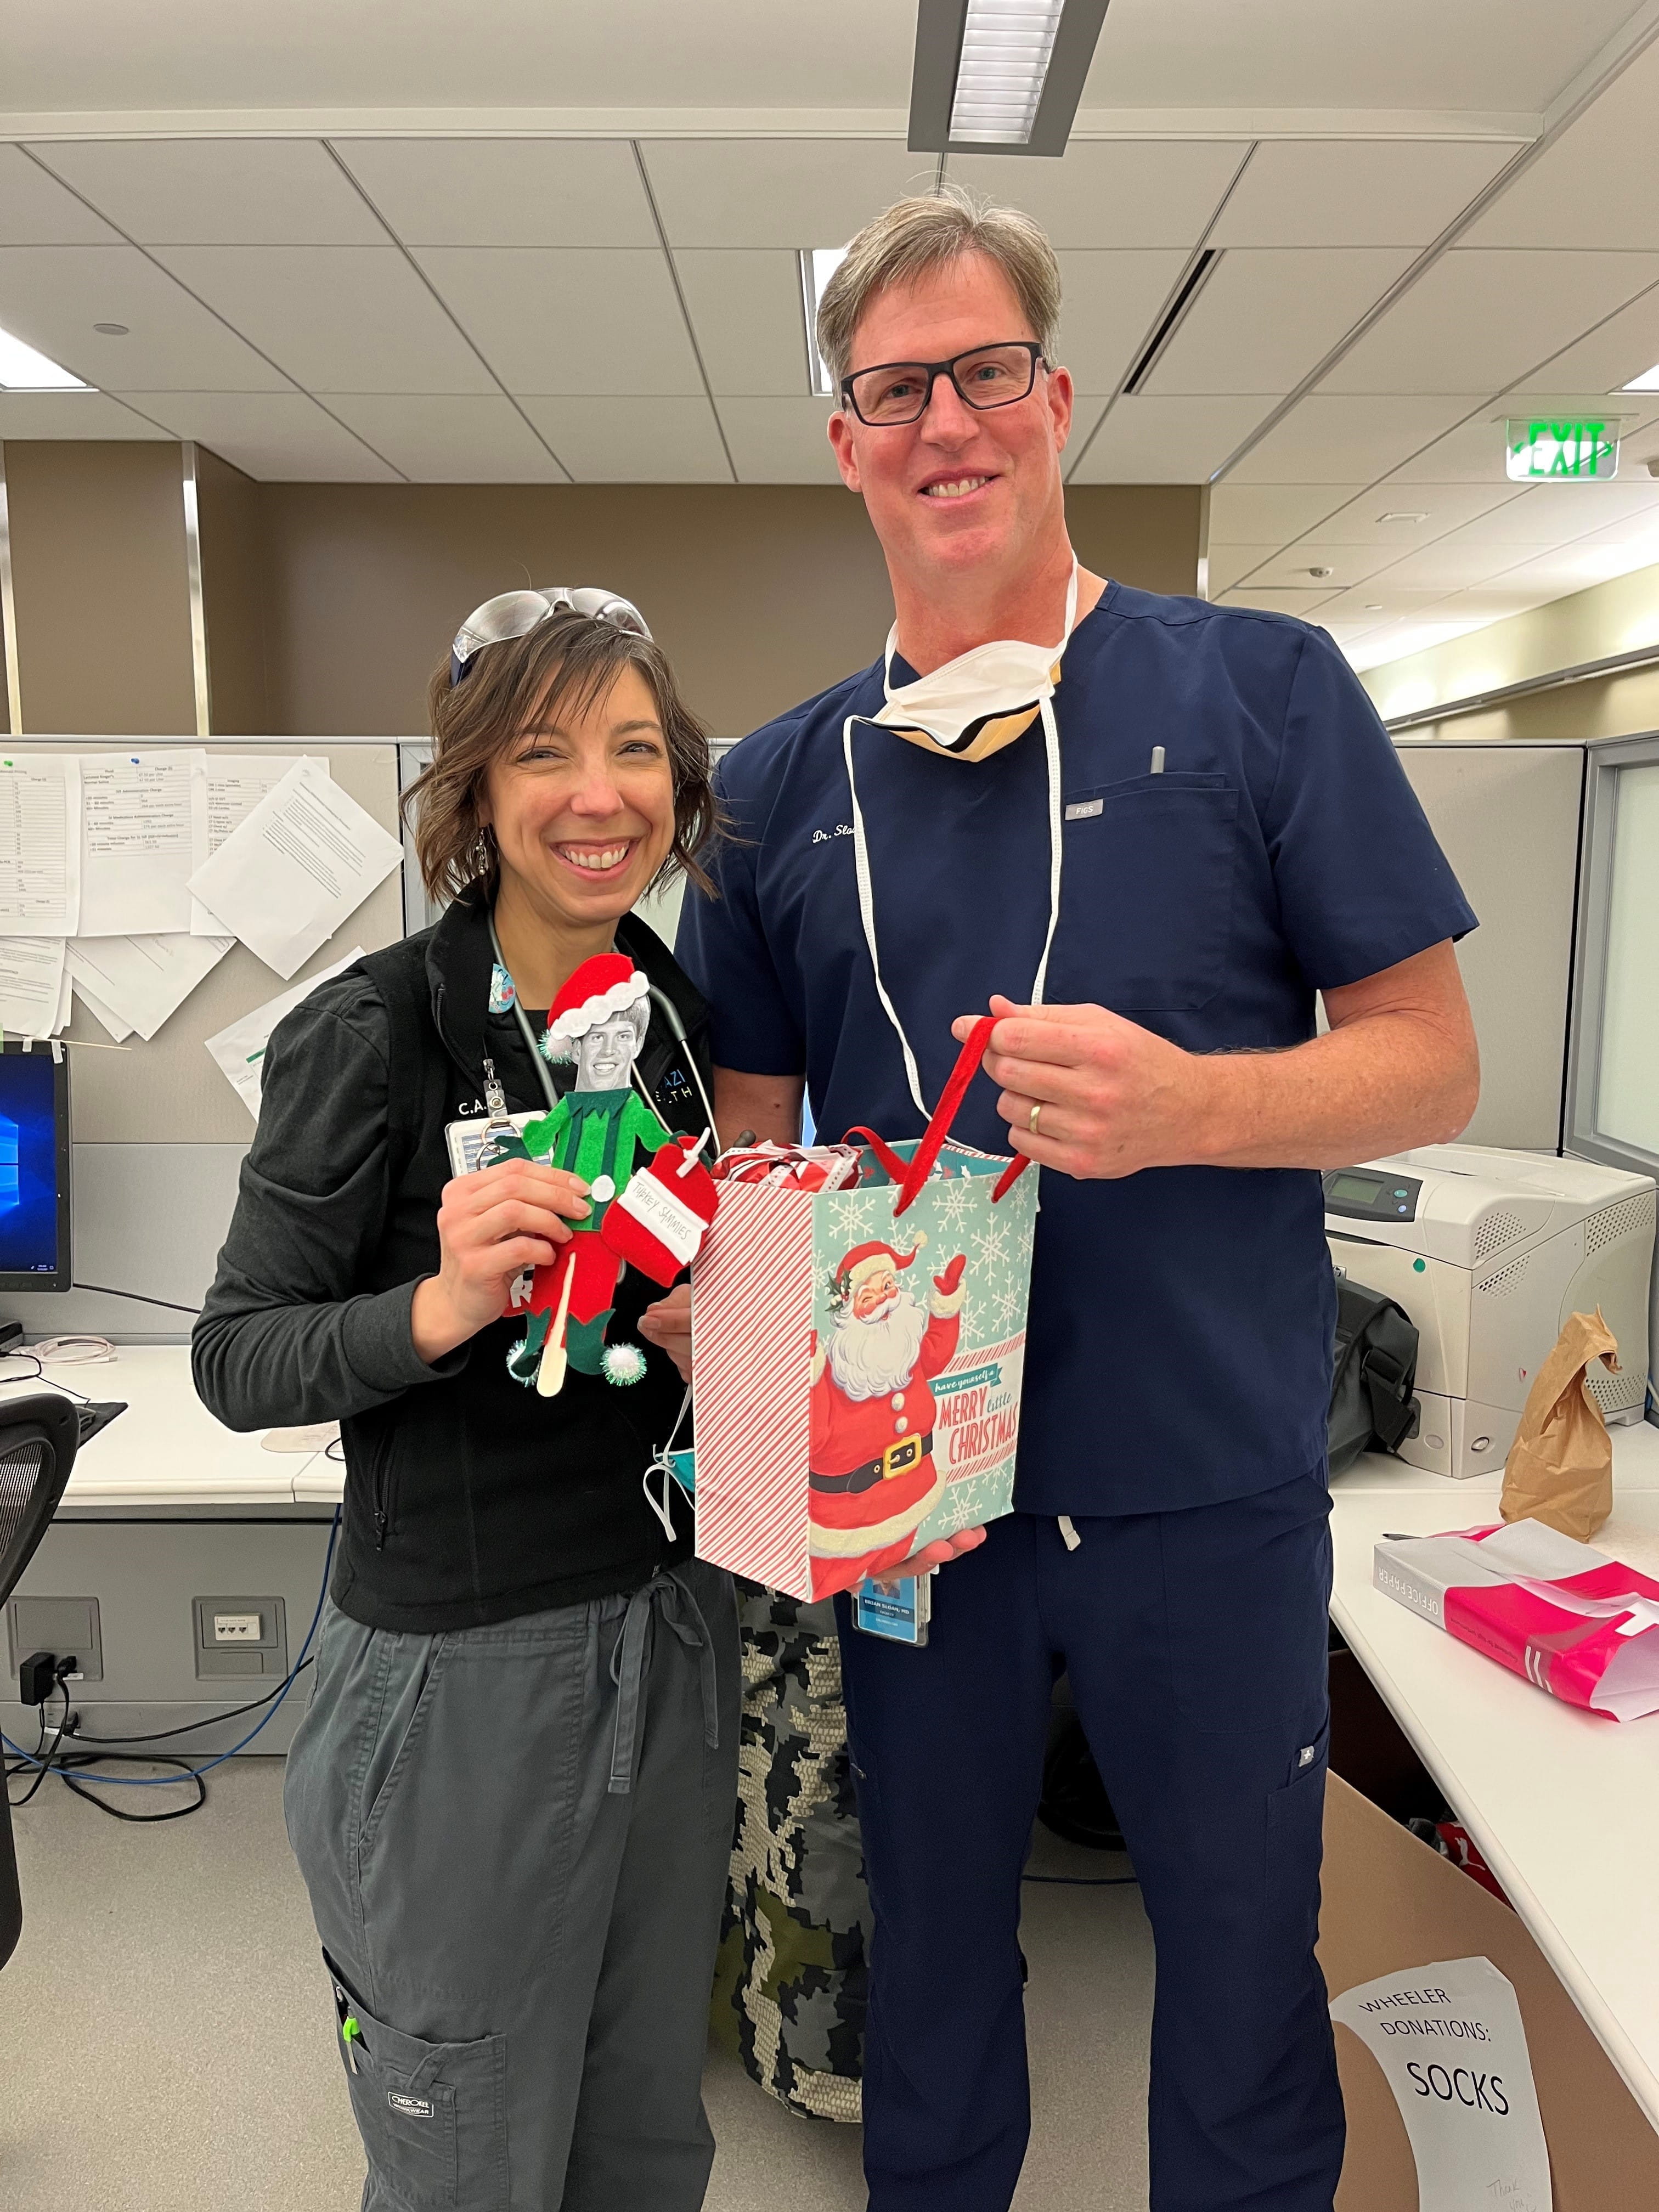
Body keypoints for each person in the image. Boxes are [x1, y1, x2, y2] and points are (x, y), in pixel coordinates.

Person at [670, 190, 1481, 2212]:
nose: (947, 422)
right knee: (928, 1981)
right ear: (843, 440)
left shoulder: (1263, 693)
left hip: (1202, 1486)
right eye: (893, 390)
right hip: (908, 1511)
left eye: (986, 373)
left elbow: (1434, 1058)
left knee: (1236, 1977)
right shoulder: (774, 791)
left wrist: (1196, 1102)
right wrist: (733, 1327)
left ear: (1057, 398)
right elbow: (742, 1157)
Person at [192, 588, 740, 2211]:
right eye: (545, 750)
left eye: (636, 749)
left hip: (670, 1625)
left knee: (645, 2122)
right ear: (476, 796)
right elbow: (238, 1356)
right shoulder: (370, 1035)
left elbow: (670, 1313)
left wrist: (725, 1341)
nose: (599, 793)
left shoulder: (679, 1034)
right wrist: (435, 1306)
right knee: (469, 2139)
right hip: (463, 1674)